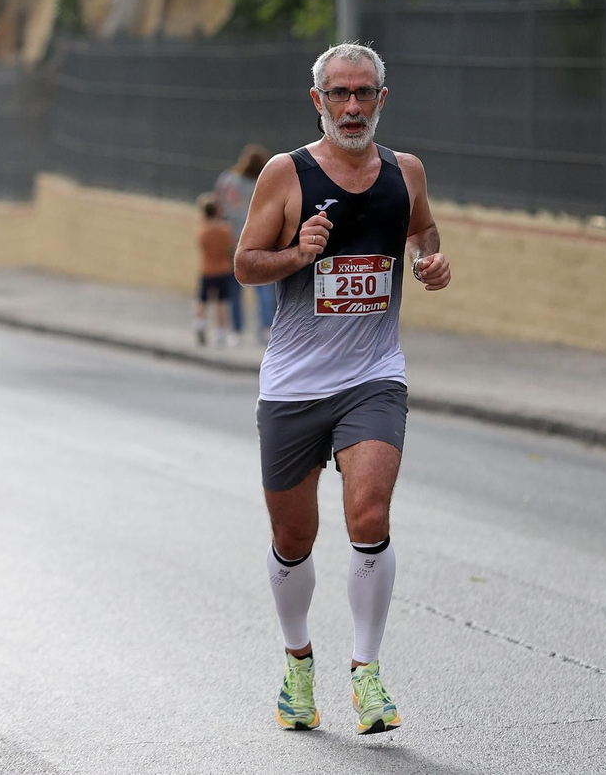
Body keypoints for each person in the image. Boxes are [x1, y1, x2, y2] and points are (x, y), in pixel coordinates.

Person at [235, 43, 451, 735]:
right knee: (293, 535)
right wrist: (299, 254)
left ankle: (367, 673)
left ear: (382, 99)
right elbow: (245, 264)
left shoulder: (405, 172)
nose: (352, 107)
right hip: (295, 386)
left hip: (373, 377)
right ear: (317, 100)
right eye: (339, 94)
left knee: (369, 516)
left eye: (364, 94)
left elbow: (422, 229)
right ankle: (299, 666)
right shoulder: (285, 174)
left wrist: (429, 261)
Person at [215, 144, 271, 341]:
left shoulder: (228, 180)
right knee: (264, 287)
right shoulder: (265, 183)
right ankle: (266, 327)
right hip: (260, 240)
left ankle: (236, 330)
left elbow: (219, 208)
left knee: (233, 287)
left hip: (232, 239)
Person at [195, 194, 236, 346]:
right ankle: (220, 332)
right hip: (223, 268)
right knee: (221, 301)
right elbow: (230, 247)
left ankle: (199, 323)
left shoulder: (203, 231)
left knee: (202, 299)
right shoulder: (225, 230)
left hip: (207, 268)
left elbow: (202, 246)